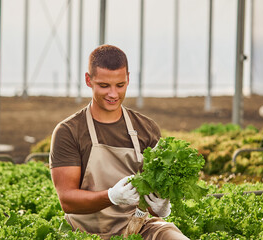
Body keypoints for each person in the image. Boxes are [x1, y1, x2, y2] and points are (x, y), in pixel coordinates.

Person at [49, 44, 189, 240]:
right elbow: (68, 200)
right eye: (104, 86)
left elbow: (152, 194)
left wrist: (162, 207)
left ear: (128, 78)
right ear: (88, 80)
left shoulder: (147, 129)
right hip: (86, 232)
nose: (113, 94)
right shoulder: (69, 131)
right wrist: (111, 196)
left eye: (120, 85)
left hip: (139, 226)